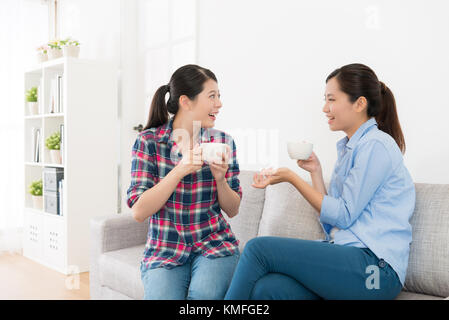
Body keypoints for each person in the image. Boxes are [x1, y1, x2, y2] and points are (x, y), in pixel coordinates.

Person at [224, 63, 415, 300]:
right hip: (351, 262)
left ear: (360, 103)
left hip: (375, 274)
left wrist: (293, 178)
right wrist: (315, 172)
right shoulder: (350, 149)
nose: (325, 108)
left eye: (331, 99)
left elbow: (343, 215)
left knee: (257, 249)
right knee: (268, 288)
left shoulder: (375, 145)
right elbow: (333, 221)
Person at [127, 64, 242, 300]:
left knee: (204, 295)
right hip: (165, 248)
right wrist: (179, 170)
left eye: (219, 96)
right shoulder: (149, 142)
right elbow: (139, 211)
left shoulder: (222, 142)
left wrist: (221, 180)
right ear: (186, 102)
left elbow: (233, 209)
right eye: (212, 96)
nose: (219, 104)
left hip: (215, 245)